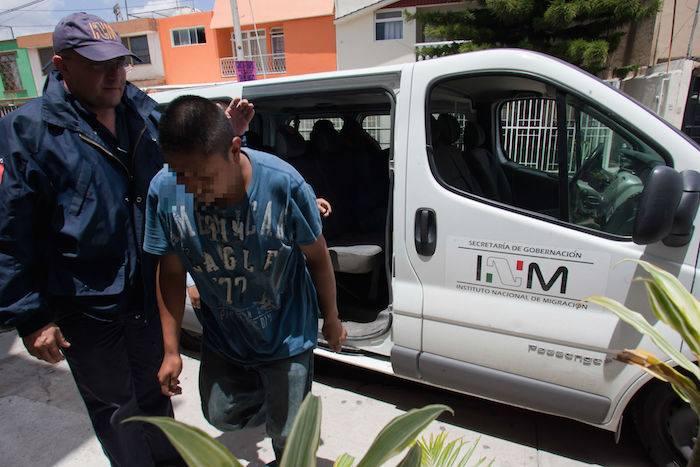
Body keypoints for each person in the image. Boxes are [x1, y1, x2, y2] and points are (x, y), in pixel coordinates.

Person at [0, 13, 254, 467]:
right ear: (61, 65)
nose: (115, 74)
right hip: (85, 305)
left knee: (157, 393)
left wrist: (228, 136)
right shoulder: (28, 130)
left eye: (120, 63)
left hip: (147, 293)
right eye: (99, 65)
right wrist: (32, 317)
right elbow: (11, 231)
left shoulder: (146, 115)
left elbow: (191, 169)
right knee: (118, 410)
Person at [144, 95, 347, 463]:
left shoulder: (284, 185)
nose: (192, 188)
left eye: (204, 177)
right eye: (181, 174)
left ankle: (288, 418)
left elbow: (318, 257)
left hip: (286, 332)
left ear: (234, 149)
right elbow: (170, 272)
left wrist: (331, 318)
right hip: (225, 334)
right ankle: (282, 407)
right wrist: (171, 350)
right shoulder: (165, 190)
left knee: (289, 439)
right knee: (221, 414)